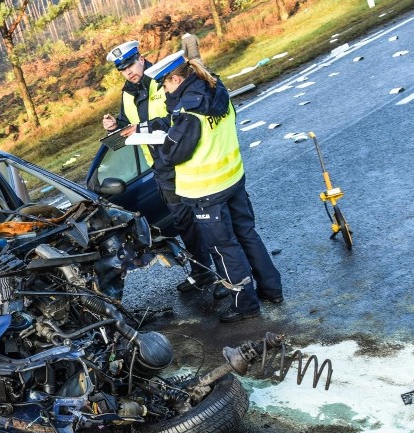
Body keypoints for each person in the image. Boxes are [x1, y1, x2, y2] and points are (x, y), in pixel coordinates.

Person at [145, 51, 283, 323]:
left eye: (165, 85)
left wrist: (156, 140)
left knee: (224, 248)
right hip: (232, 178)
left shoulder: (188, 111)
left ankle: (245, 306)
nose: (164, 91)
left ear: (175, 78)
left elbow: (172, 155)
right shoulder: (216, 90)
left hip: (206, 191)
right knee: (247, 235)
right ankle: (272, 290)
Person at [103, 40, 227, 299]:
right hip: (160, 168)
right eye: (122, 69)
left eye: (130, 65)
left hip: (184, 160)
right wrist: (116, 124)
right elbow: (130, 123)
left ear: (141, 57)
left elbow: (180, 116)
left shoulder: (161, 78)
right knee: (184, 223)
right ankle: (203, 271)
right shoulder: (127, 92)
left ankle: (224, 278)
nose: (128, 72)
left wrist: (147, 127)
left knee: (206, 221)